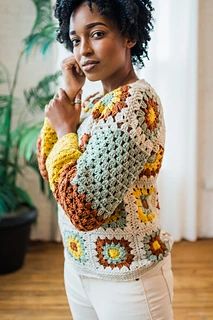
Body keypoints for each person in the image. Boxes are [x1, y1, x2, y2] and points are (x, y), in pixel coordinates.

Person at [37, 0, 174, 319]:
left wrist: (65, 128)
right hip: (80, 267)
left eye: (96, 33)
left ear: (129, 35)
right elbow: (47, 165)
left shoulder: (135, 103)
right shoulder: (96, 100)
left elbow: (83, 209)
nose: (83, 50)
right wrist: (69, 95)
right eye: (75, 39)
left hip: (129, 280)